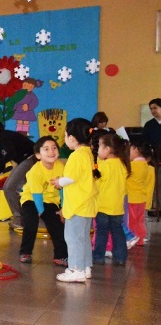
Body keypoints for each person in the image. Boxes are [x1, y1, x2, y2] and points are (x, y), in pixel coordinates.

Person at [51, 118, 98, 283]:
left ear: (72, 138)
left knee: (72, 239)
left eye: (65, 135)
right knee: (83, 238)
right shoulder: (87, 153)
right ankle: (85, 268)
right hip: (86, 204)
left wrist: (58, 182)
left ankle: (75, 269)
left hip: (77, 205)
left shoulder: (76, 155)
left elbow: (70, 177)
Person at [18, 136, 68, 265]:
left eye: (54, 148)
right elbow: (36, 194)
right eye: (46, 149)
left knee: (57, 226)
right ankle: (25, 252)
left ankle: (60, 256)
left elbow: (62, 189)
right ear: (38, 155)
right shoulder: (35, 171)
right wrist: (40, 212)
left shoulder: (60, 166)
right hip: (31, 199)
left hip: (50, 200)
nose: (51, 151)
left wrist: (63, 208)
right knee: (31, 224)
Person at [0, 118, 36, 230]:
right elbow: (2, 164)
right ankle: (23, 219)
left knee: (9, 188)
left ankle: (20, 220)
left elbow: (11, 152)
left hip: (31, 159)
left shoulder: (3, 137)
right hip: (25, 160)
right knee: (13, 188)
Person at [93, 133, 130, 266]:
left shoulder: (103, 165)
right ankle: (120, 258)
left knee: (101, 232)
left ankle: (98, 257)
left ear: (107, 149)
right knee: (118, 232)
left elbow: (95, 184)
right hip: (117, 207)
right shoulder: (122, 165)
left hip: (102, 206)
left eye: (100, 147)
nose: (98, 151)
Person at [126, 140, 151, 248]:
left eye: (130, 150)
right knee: (140, 221)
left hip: (132, 198)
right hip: (142, 198)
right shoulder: (145, 164)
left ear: (136, 150)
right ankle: (140, 239)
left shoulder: (132, 165)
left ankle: (131, 239)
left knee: (131, 221)